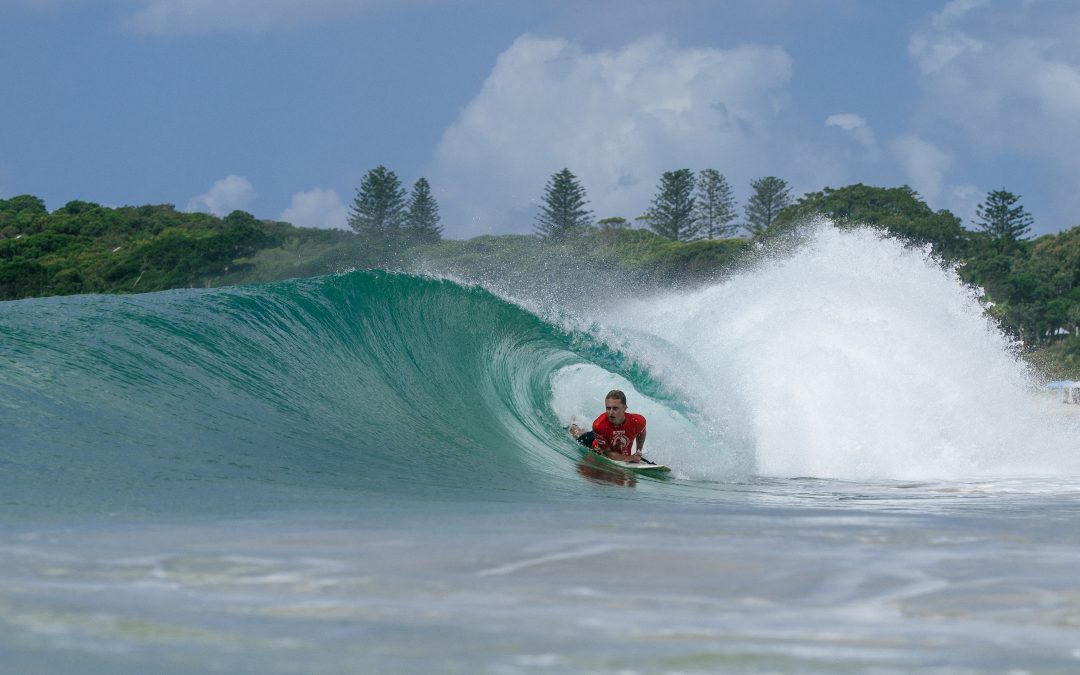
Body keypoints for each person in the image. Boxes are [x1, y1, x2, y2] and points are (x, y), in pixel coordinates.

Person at [568, 389, 647, 463]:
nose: (611, 412)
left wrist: (638, 452)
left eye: (615, 408)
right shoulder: (599, 425)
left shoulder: (638, 421)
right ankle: (573, 423)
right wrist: (630, 458)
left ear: (625, 408)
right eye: (608, 408)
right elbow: (608, 453)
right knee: (577, 433)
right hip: (594, 443)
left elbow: (642, 433)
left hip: (606, 435)